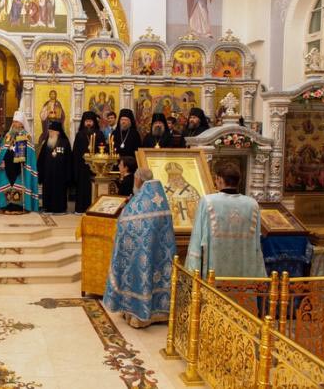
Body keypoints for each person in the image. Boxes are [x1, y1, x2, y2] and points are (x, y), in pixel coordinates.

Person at [103, 169, 176, 328]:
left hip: (141, 253)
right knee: (157, 276)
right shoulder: (160, 199)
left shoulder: (139, 203)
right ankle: (160, 313)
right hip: (160, 251)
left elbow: (125, 224)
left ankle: (139, 316)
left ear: (138, 180)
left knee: (141, 276)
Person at [186, 162, 266, 278]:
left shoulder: (208, 202)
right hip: (244, 279)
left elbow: (197, 238)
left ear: (219, 179)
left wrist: (192, 271)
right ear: (238, 181)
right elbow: (257, 244)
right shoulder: (252, 204)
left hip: (215, 277)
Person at [0, 111, 39, 212]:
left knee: (18, 184)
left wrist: (23, 161)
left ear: (22, 124)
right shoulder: (8, 136)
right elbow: (3, 151)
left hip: (20, 168)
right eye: (13, 122)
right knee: (7, 184)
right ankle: (6, 204)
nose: (14, 124)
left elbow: (30, 155)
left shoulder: (26, 136)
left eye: (16, 122)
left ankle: (19, 205)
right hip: (7, 168)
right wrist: (2, 161)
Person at [73, 111, 106, 214]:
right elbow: (75, 152)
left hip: (96, 167)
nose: (88, 123)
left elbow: (103, 150)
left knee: (93, 187)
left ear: (94, 122)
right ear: (83, 122)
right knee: (82, 188)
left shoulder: (99, 134)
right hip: (82, 167)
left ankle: (94, 208)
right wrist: (75, 168)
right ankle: (80, 209)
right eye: (87, 121)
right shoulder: (79, 135)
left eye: (90, 121)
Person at [37, 120, 72, 213]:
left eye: (52, 131)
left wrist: (68, 175)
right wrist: (41, 173)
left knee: (59, 191)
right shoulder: (46, 143)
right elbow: (41, 159)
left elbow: (69, 160)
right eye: (49, 131)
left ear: (58, 132)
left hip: (61, 175)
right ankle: (47, 207)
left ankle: (60, 208)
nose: (50, 133)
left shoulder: (65, 143)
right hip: (48, 174)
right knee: (48, 190)